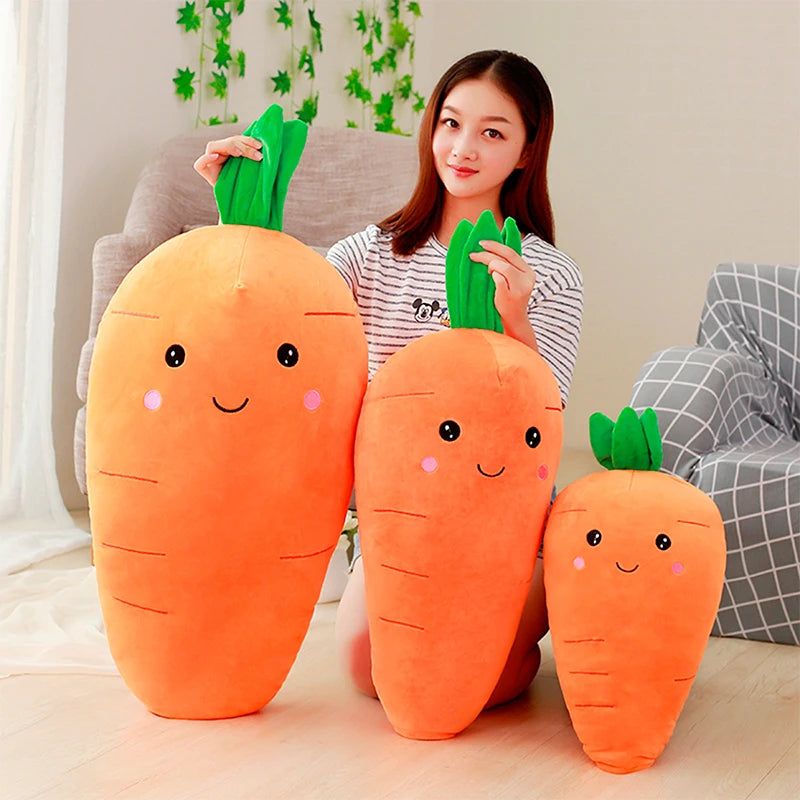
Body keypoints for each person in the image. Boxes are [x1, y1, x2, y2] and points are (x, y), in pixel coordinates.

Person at [194, 49, 583, 708]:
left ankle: (533, 611)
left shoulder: (549, 272)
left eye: (493, 132)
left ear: (525, 151)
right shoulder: (374, 251)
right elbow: (279, 303)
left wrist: (514, 318)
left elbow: (546, 412)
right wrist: (237, 215)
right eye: (451, 123)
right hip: (398, 507)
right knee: (370, 671)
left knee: (473, 679)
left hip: (500, 507)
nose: (463, 147)